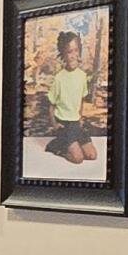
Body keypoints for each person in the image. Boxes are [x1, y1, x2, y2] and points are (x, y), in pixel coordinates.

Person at [42, 27, 98, 165]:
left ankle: (66, 142)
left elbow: (80, 100)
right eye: (69, 52)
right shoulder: (59, 78)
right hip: (64, 124)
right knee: (78, 159)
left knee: (92, 156)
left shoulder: (82, 76)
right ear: (63, 54)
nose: (73, 55)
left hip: (76, 124)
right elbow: (52, 105)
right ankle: (58, 147)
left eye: (75, 51)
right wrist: (55, 125)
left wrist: (80, 118)